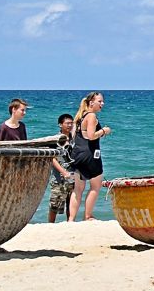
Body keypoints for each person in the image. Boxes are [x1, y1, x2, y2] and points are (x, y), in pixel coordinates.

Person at [68, 92, 112, 222]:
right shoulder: (91, 116)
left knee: (78, 189)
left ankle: (71, 219)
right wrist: (104, 131)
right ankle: (88, 216)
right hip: (90, 155)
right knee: (95, 186)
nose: (102, 104)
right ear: (91, 103)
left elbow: (77, 136)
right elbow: (92, 136)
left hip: (78, 154)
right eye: (100, 101)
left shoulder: (80, 116)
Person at [48, 114, 75, 222]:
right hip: (58, 178)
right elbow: (51, 158)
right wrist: (63, 172)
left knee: (71, 204)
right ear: (60, 124)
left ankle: (70, 222)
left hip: (73, 176)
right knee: (54, 205)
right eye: (67, 123)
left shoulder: (74, 140)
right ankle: (50, 225)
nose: (69, 125)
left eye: (71, 123)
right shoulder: (55, 140)